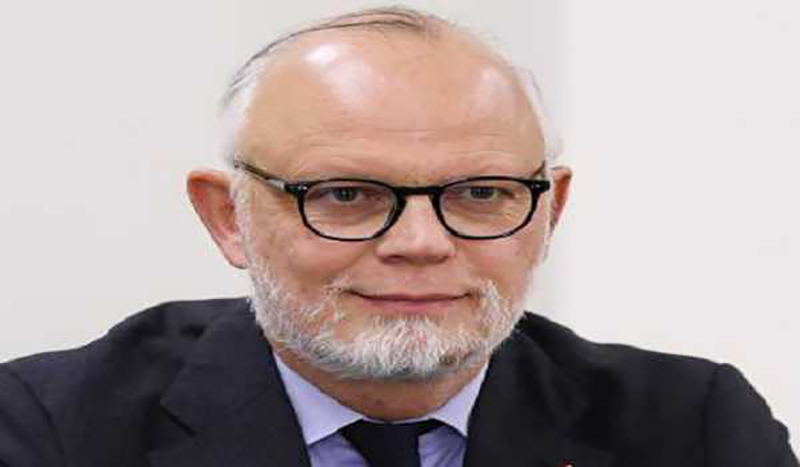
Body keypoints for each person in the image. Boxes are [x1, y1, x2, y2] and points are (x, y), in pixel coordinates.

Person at [0, 6, 796, 467]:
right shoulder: (52, 429)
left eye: (481, 194)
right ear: (228, 217)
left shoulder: (692, 430)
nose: (420, 242)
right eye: (346, 195)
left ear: (549, 212)